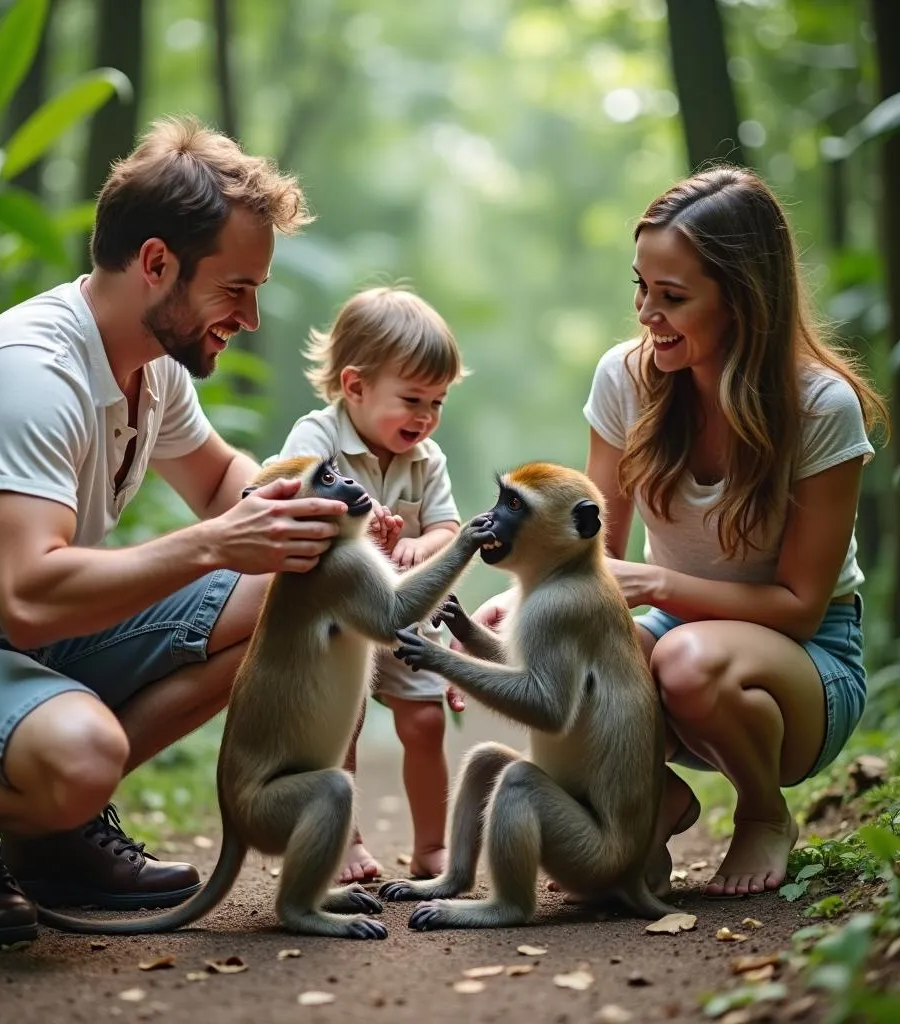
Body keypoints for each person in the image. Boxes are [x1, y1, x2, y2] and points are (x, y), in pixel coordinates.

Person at [0, 116, 351, 948]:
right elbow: (28, 596)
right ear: (157, 263)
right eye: (236, 289)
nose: (251, 317)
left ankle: (46, 829)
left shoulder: (150, 364)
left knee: (296, 594)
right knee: (82, 755)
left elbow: (217, 482)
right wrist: (213, 546)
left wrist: (326, 519)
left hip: (20, 653)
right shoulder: (32, 372)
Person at [466, 166, 889, 900]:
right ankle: (651, 807)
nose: (645, 313)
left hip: (806, 663)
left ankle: (762, 812)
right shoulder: (625, 381)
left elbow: (799, 605)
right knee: (569, 642)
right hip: (673, 634)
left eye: (672, 297)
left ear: (743, 300)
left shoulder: (821, 408)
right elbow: (595, 552)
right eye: (641, 288)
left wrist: (657, 583)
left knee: (689, 661)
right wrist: (532, 599)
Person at [272, 285, 466, 882]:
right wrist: (348, 525)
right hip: (339, 619)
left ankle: (433, 846)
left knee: (426, 721)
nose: (425, 417)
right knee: (344, 723)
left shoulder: (426, 459)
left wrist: (418, 544)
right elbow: (282, 501)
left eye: (436, 402)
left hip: (405, 611)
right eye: (412, 399)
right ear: (355, 386)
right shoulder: (317, 438)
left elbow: (449, 527)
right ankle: (347, 838)